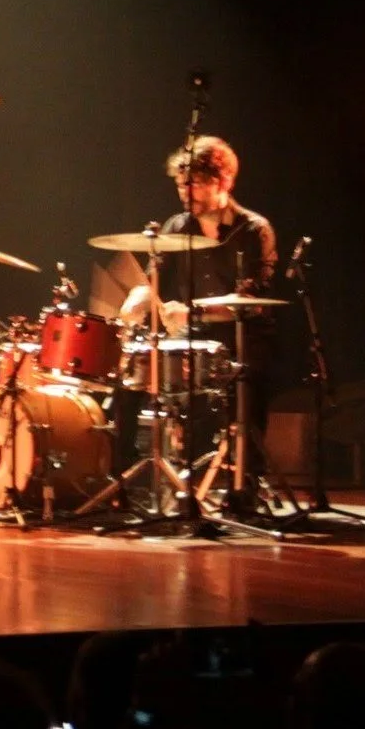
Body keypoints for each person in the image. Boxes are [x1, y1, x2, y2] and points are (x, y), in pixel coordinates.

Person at [116, 136, 280, 490]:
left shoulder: (253, 230)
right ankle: (123, 480)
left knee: (243, 392)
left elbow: (249, 299)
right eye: (180, 184)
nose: (184, 192)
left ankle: (245, 484)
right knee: (127, 376)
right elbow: (154, 277)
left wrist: (191, 314)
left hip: (243, 339)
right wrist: (139, 296)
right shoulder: (178, 226)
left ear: (224, 182)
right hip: (192, 338)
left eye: (194, 184)